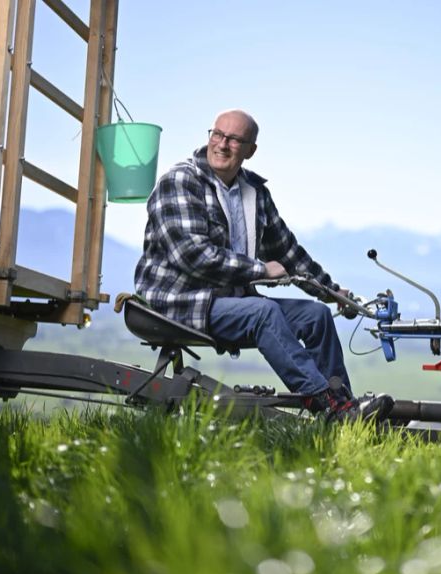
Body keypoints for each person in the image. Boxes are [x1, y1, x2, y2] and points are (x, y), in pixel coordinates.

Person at [134, 109, 393, 422]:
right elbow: (192, 256)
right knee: (263, 312)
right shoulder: (179, 182)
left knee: (317, 316)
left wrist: (331, 291)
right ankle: (329, 408)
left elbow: (287, 252)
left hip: (231, 303)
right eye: (217, 134)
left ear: (250, 150)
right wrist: (260, 270)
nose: (222, 144)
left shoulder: (253, 192)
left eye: (234, 139)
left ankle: (347, 409)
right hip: (180, 303)